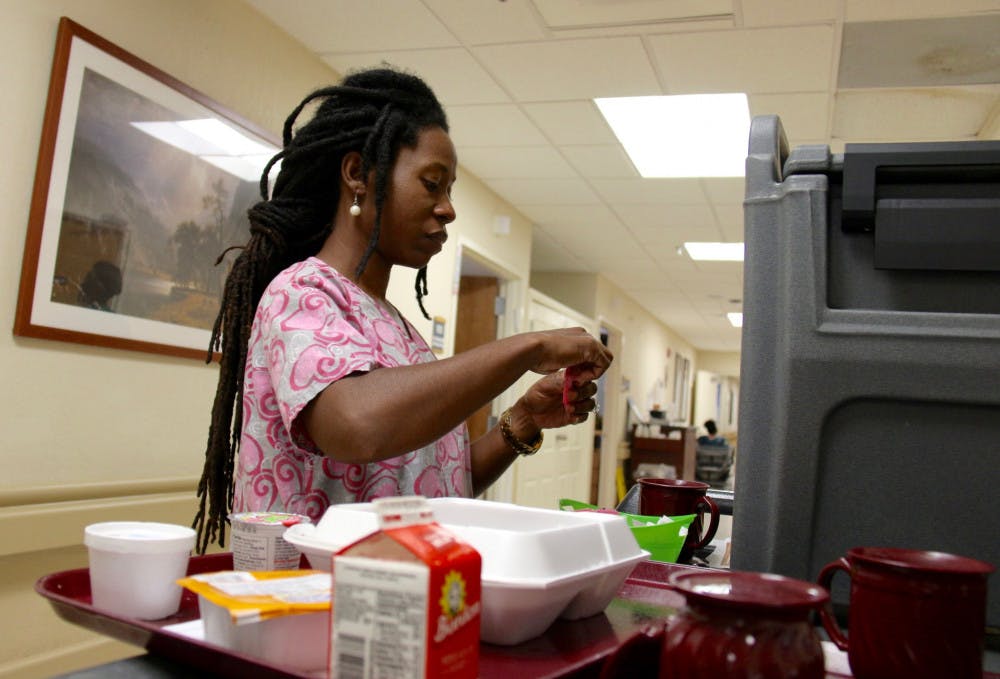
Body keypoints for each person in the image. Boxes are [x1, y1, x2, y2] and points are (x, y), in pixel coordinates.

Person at [193, 67, 612, 552]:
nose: (448, 208)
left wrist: (524, 420)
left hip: (394, 603)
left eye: (449, 189)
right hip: (308, 605)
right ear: (357, 175)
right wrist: (527, 347)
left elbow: (435, 488)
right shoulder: (301, 292)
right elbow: (357, 427)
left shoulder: (400, 330)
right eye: (433, 184)